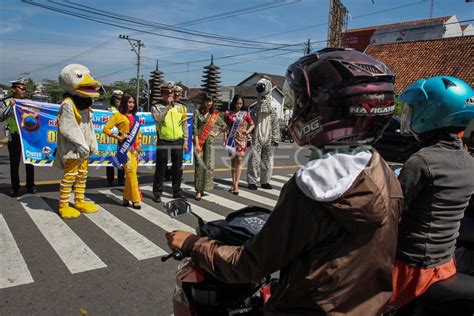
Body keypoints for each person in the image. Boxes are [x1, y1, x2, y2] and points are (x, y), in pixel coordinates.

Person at [167, 48, 403, 315]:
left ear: (327, 111)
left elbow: (247, 265)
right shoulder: (382, 171)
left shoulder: (314, 188)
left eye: (303, 102)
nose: (297, 112)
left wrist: (191, 244)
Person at [390, 76, 474, 307]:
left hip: (411, 270)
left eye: (412, 109)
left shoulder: (421, 161)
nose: (407, 115)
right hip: (445, 263)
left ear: (431, 113)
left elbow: (391, 212)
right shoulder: (468, 161)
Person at [54, 64, 100, 219]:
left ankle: (79, 200)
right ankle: (64, 205)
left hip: (84, 149)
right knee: (70, 176)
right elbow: (67, 127)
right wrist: (81, 145)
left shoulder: (86, 103)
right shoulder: (68, 103)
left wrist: (92, 142)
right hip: (74, 149)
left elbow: (89, 125)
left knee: (82, 175)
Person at [103, 94, 143, 210]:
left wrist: (140, 144)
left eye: (133, 102)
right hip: (124, 149)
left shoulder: (136, 117)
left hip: (134, 150)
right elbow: (106, 129)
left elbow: (139, 133)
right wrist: (119, 136)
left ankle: (125, 198)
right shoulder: (118, 115)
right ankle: (136, 199)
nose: (131, 105)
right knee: (130, 172)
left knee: (132, 174)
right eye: (129, 102)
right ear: (124, 102)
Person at [151, 81, 188, 203]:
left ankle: (176, 191)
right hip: (163, 141)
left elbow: (184, 125)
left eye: (171, 93)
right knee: (161, 168)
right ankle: (157, 192)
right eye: (167, 93)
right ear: (162, 94)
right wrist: (167, 107)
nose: (169, 95)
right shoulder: (156, 107)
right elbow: (158, 119)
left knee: (177, 168)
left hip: (178, 140)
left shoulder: (181, 107)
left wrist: (186, 141)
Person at [0, 79, 36, 197]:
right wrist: (11, 105)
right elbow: (1, 116)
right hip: (14, 134)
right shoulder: (6, 102)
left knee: (30, 161)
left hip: (27, 135)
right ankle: (15, 187)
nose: (24, 91)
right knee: (14, 163)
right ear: (14, 89)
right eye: (22, 89)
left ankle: (30, 186)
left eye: (25, 89)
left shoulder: (29, 102)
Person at [247, 77, 279, 190]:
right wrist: (249, 137)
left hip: (268, 137)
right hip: (257, 136)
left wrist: (276, 138)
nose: (263, 100)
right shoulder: (254, 110)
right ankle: (252, 181)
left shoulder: (273, 111)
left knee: (268, 160)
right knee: (254, 160)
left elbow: (275, 125)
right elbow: (249, 124)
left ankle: (265, 181)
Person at [193, 93, 226, 201]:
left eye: (211, 101)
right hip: (200, 143)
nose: (209, 103)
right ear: (203, 102)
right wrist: (197, 144)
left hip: (210, 143)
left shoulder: (214, 115)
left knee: (208, 166)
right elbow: (194, 130)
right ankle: (198, 191)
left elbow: (224, 126)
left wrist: (215, 133)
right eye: (207, 101)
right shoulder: (197, 113)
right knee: (199, 166)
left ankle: (203, 189)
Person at [224, 95, 254, 195]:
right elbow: (225, 127)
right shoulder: (228, 113)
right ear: (234, 103)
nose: (239, 105)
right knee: (233, 162)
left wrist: (247, 131)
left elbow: (252, 124)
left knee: (240, 160)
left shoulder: (245, 114)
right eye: (237, 103)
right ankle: (233, 183)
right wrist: (224, 139)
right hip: (231, 139)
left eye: (241, 104)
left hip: (242, 139)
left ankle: (236, 185)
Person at [106, 90, 125, 186]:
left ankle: (121, 179)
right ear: (113, 99)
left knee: (121, 158)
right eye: (118, 99)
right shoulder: (108, 110)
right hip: (110, 137)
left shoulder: (124, 111)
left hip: (121, 137)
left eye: (122, 99)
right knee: (110, 158)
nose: (120, 101)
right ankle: (110, 180)